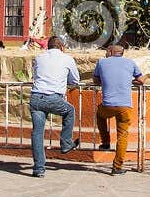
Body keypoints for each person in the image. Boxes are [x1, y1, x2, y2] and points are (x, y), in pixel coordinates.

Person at [30, 36, 81, 177]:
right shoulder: (67, 59)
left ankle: (39, 168)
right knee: (70, 111)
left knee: (37, 133)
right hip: (53, 97)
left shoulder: (39, 58)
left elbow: (35, 74)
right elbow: (75, 80)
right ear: (62, 47)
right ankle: (65, 143)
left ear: (47, 46)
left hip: (36, 97)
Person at [92, 44, 141, 176]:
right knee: (123, 135)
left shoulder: (102, 62)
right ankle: (117, 167)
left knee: (99, 114)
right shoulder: (130, 62)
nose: (105, 53)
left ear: (111, 51)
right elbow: (141, 79)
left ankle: (106, 142)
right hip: (125, 106)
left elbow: (95, 80)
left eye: (107, 51)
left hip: (108, 105)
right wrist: (130, 82)